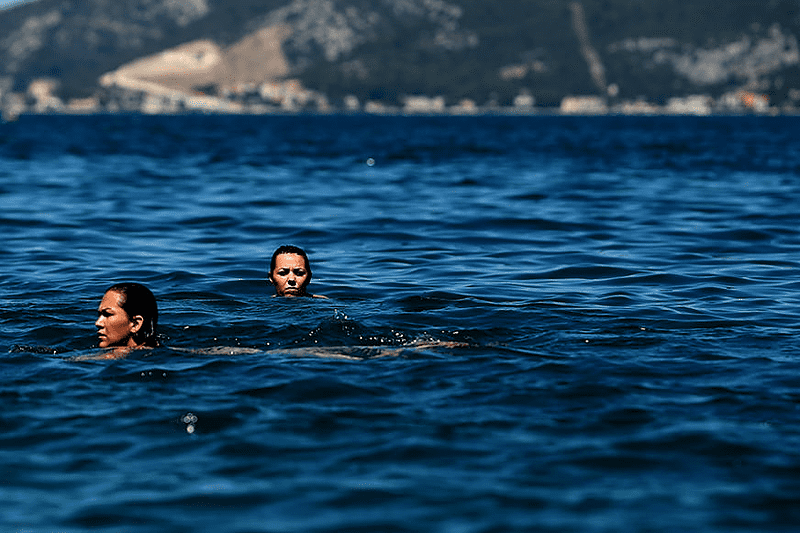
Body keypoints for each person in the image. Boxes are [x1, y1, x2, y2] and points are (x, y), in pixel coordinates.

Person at [94, 282, 159, 357]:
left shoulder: (113, 357)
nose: (98, 323)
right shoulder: (160, 353)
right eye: (99, 315)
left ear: (135, 324)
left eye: (108, 314)